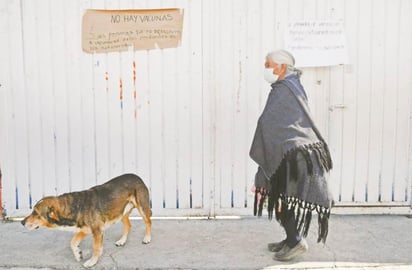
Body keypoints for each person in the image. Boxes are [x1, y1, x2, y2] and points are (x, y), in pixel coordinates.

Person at [250, 49, 333, 261]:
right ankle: (290, 238)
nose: (266, 69)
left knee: (279, 196)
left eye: (268, 64)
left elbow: (272, 123)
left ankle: (295, 241)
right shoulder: (289, 85)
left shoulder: (285, 89)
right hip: (291, 153)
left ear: (282, 67)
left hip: (293, 156)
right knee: (279, 197)